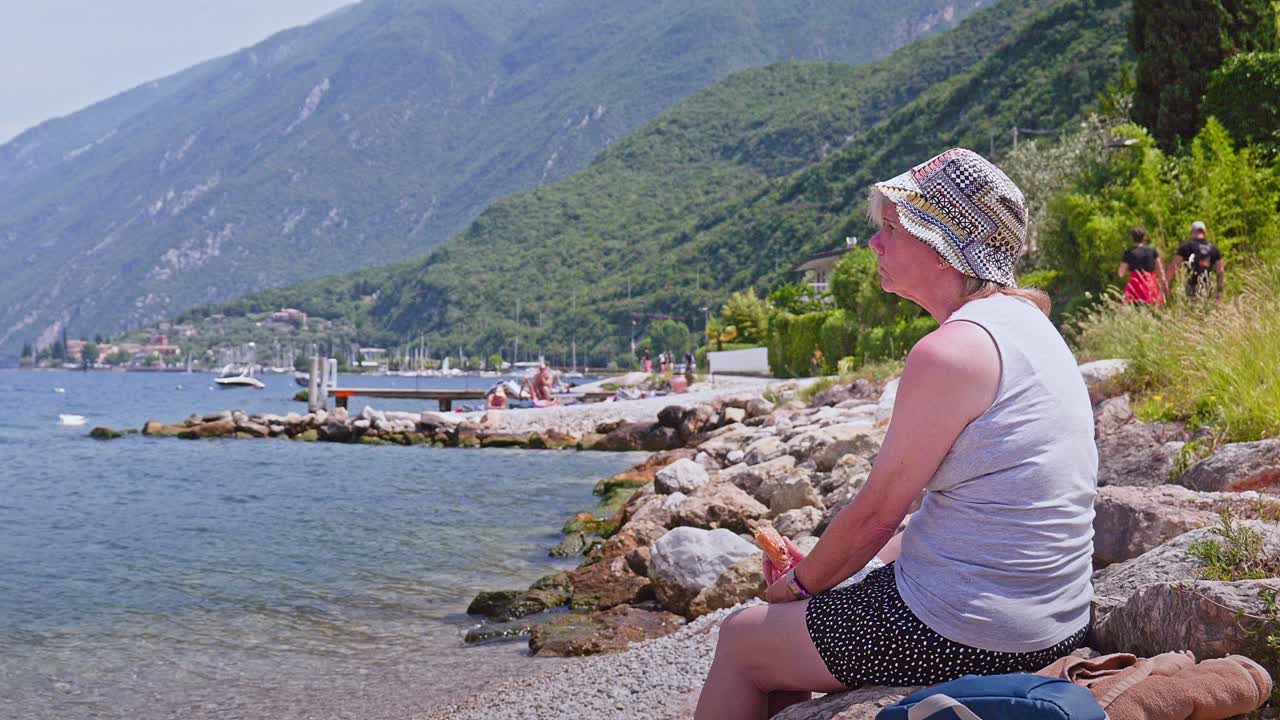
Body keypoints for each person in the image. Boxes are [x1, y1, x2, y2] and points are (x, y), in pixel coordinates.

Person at [695, 148, 1096, 719]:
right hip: (1055, 617)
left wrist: (797, 588)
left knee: (741, 637)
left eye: (889, 228)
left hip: (975, 630)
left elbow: (879, 510)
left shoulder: (951, 351)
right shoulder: (1029, 325)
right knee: (783, 633)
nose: (874, 245)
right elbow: (966, 513)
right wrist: (830, 575)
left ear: (944, 244)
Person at [1167, 220, 1224, 300]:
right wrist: (1219, 291)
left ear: (1192, 232)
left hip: (1191, 287)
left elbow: (1173, 267)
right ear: (1204, 232)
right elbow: (1220, 271)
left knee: (1191, 311)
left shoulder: (1186, 246)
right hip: (1208, 287)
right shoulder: (1214, 248)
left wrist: (1166, 285)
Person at [1118, 226, 1166, 305]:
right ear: (1144, 237)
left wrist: (1128, 272)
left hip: (1134, 287)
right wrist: (1163, 284)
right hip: (1150, 285)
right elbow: (1160, 269)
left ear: (1132, 238)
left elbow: (1121, 273)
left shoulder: (1129, 252)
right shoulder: (1152, 250)